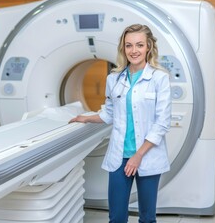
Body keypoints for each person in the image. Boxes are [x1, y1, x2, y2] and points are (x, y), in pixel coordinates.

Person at [69, 24, 171, 223]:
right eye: (129, 45)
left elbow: (162, 123)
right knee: (116, 217)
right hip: (119, 157)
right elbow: (109, 113)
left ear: (148, 47)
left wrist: (138, 155)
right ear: (123, 48)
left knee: (147, 218)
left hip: (146, 155)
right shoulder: (114, 78)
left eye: (139, 45)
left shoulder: (160, 78)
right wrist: (87, 117)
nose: (134, 51)